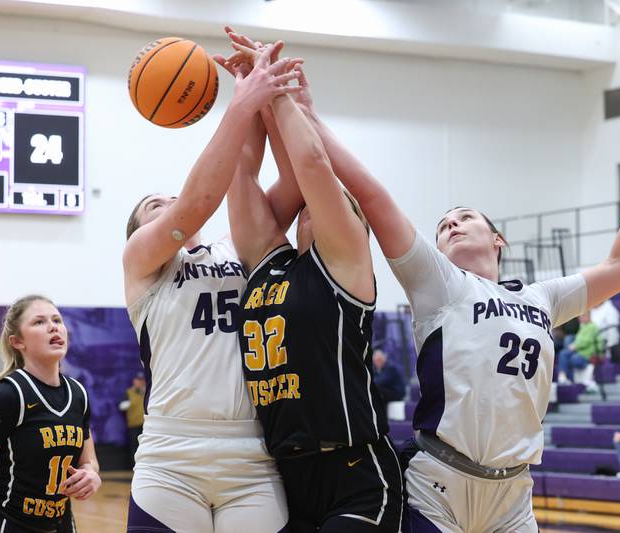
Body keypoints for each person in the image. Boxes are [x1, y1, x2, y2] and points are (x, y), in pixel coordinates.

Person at [286, 53, 620, 530]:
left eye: (465, 218)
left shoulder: (542, 298)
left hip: (512, 493)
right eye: (443, 225)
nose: (452, 225)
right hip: (439, 483)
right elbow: (373, 196)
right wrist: (309, 117)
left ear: (498, 239)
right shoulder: (438, 282)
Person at [222, 34, 403, 532]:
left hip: (355, 473)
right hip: (283, 474)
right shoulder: (268, 262)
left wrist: (277, 92)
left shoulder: (346, 264)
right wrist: (247, 94)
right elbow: (239, 175)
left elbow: (313, 165)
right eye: (304, 206)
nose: (310, 206)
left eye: (330, 205)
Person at [122, 43, 301, 532]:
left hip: (253, 453)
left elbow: (275, 179)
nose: (170, 203)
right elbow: (197, 203)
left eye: (170, 198)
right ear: (140, 231)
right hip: (171, 454)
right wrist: (240, 101)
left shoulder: (238, 249)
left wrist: (262, 95)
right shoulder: (142, 265)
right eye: (154, 206)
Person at [0, 295, 101, 533]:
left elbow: (89, 461)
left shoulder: (79, 394)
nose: (53, 326)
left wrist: (90, 475)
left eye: (57, 319)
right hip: (8, 524)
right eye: (39, 322)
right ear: (17, 342)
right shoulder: (7, 395)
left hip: (62, 524)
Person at [556, 312, 602, 388]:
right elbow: (579, 339)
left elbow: (586, 341)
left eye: (581, 317)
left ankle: (568, 378)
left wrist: (575, 346)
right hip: (579, 351)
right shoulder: (583, 326)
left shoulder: (592, 327)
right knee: (563, 354)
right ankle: (563, 377)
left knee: (572, 358)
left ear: (588, 317)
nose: (579, 318)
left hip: (587, 353)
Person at [118, 372, 145, 468]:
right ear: (134, 381)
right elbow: (121, 406)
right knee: (134, 446)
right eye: (138, 380)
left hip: (146, 425)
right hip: (134, 425)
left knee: (145, 446)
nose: (140, 382)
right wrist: (129, 403)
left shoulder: (147, 392)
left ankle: (145, 465)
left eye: (141, 380)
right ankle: (135, 465)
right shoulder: (129, 392)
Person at [372, 349, 407, 418]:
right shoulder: (378, 369)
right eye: (375, 361)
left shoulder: (390, 368)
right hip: (388, 392)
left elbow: (380, 381)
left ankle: (381, 416)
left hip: (397, 393)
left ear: (383, 359)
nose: (377, 363)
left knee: (377, 389)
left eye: (379, 360)